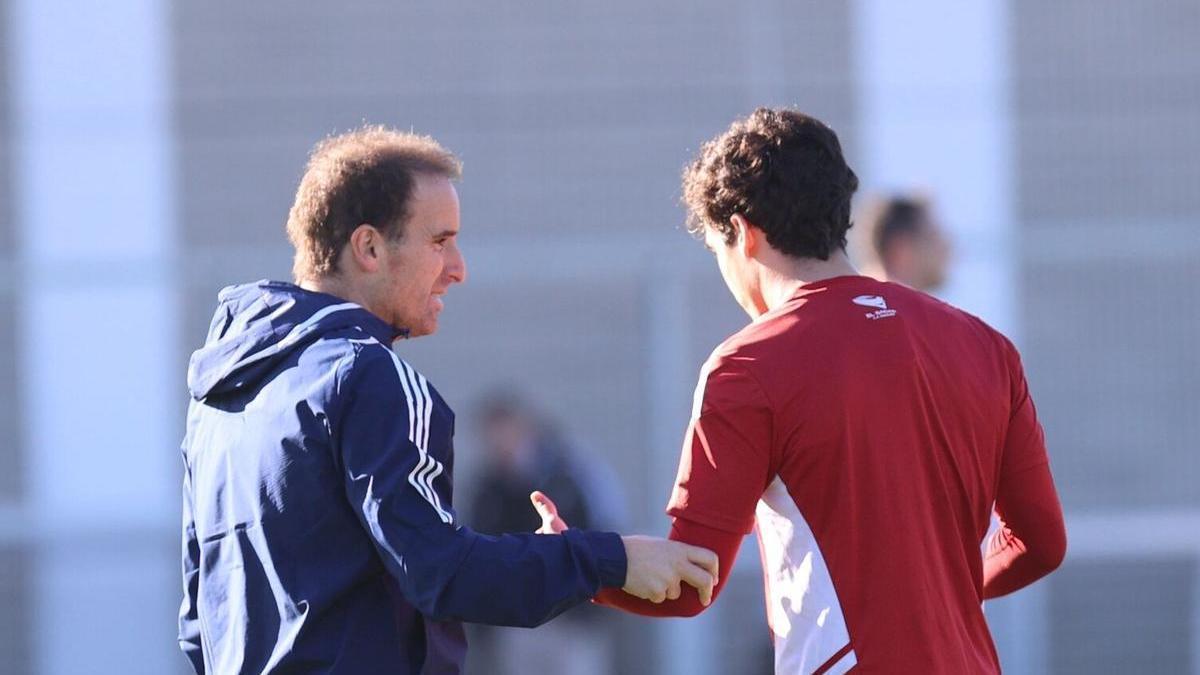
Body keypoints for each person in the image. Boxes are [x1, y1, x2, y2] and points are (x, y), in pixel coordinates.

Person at [533, 108, 1066, 674]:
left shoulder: (748, 366)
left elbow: (691, 579)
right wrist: (936, 599)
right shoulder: (986, 346)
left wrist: (573, 559)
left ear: (741, 232)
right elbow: (1041, 541)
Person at [177, 127, 718, 674]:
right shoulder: (367, 376)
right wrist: (612, 559)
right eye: (439, 241)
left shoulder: (222, 389)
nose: (458, 268)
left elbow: (198, 620)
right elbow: (443, 572)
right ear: (368, 247)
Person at [465, 391, 627, 675]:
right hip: (519, 621)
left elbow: (602, 527)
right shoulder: (489, 488)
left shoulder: (569, 472)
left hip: (572, 618)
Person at [854, 194, 952, 292]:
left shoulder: (852, 295)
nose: (947, 248)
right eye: (934, 237)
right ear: (902, 249)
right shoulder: (865, 300)